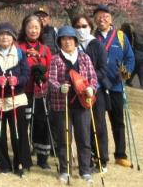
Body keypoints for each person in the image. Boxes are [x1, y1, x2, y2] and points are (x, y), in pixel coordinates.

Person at [48, 26, 98, 185]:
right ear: (59, 42)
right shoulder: (56, 59)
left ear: (75, 41)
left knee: (84, 138)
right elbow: (51, 80)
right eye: (63, 39)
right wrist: (59, 87)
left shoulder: (84, 58)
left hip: (82, 104)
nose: (67, 42)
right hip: (62, 105)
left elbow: (93, 78)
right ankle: (65, 170)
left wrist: (91, 88)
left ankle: (85, 170)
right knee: (64, 139)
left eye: (70, 38)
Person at [0, 22, 31, 176]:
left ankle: (21, 163)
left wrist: (17, 80)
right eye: (2, 34)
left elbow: (26, 74)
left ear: (13, 37)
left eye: (8, 34)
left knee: (19, 132)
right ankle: (2, 163)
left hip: (16, 99)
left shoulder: (20, 53)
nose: (5, 37)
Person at [93, 5, 135, 168]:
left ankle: (120, 155)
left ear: (111, 19)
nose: (102, 19)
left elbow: (130, 58)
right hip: (98, 86)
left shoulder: (120, 36)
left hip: (116, 86)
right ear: (95, 20)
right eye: (98, 16)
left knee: (118, 121)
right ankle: (99, 154)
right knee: (98, 122)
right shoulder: (92, 38)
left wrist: (127, 72)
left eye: (105, 16)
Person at [73, 14, 111, 171]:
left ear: (90, 27)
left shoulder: (96, 45)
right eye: (77, 27)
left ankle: (102, 159)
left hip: (95, 91)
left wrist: (89, 81)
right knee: (83, 127)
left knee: (98, 125)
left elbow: (103, 69)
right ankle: (86, 159)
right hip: (77, 92)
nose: (81, 29)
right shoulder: (71, 44)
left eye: (84, 26)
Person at [18, 14, 53, 169]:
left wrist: (43, 75)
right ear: (24, 28)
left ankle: (42, 157)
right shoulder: (18, 47)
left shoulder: (45, 49)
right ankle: (24, 156)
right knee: (23, 124)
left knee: (41, 124)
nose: (33, 31)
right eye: (30, 27)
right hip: (23, 92)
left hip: (40, 92)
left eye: (36, 28)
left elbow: (51, 69)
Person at [121, 23, 143, 88]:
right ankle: (142, 84)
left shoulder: (129, 35)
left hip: (135, 54)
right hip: (138, 54)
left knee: (136, 68)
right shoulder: (134, 35)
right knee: (138, 68)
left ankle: (129, 82)